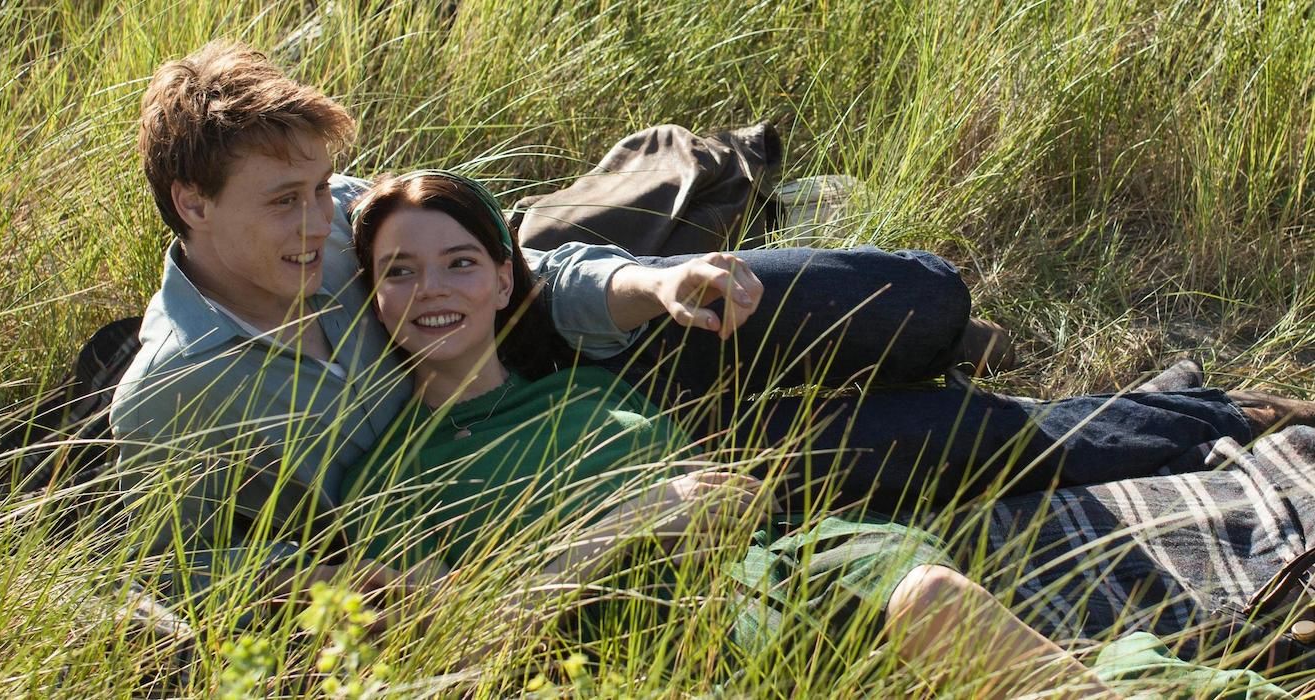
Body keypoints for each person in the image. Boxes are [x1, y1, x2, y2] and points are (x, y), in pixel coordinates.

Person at [109, 40, 975, 605]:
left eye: (318, 189)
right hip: (499, 512)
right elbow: (188, 571)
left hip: (573, 374)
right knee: (906, 443)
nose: (318, 220)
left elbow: (521, 275)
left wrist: (652, 284)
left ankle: (949, 344)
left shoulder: (338, 215)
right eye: (282, 202)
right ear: (191, 202)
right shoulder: (173, 392)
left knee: (921, 296)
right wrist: (347, 582)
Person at [340, 170, 1119, 698]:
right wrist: (628, 523)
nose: (432, 291)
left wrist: (721, 499)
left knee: (934, 594)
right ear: (371, 295)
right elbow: (460, 644)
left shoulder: (582, 386)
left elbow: (716, 497)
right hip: (660, 639)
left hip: (777, 559)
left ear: (504, 278)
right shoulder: (394, 472)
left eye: (459, 263)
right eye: (400, 271)